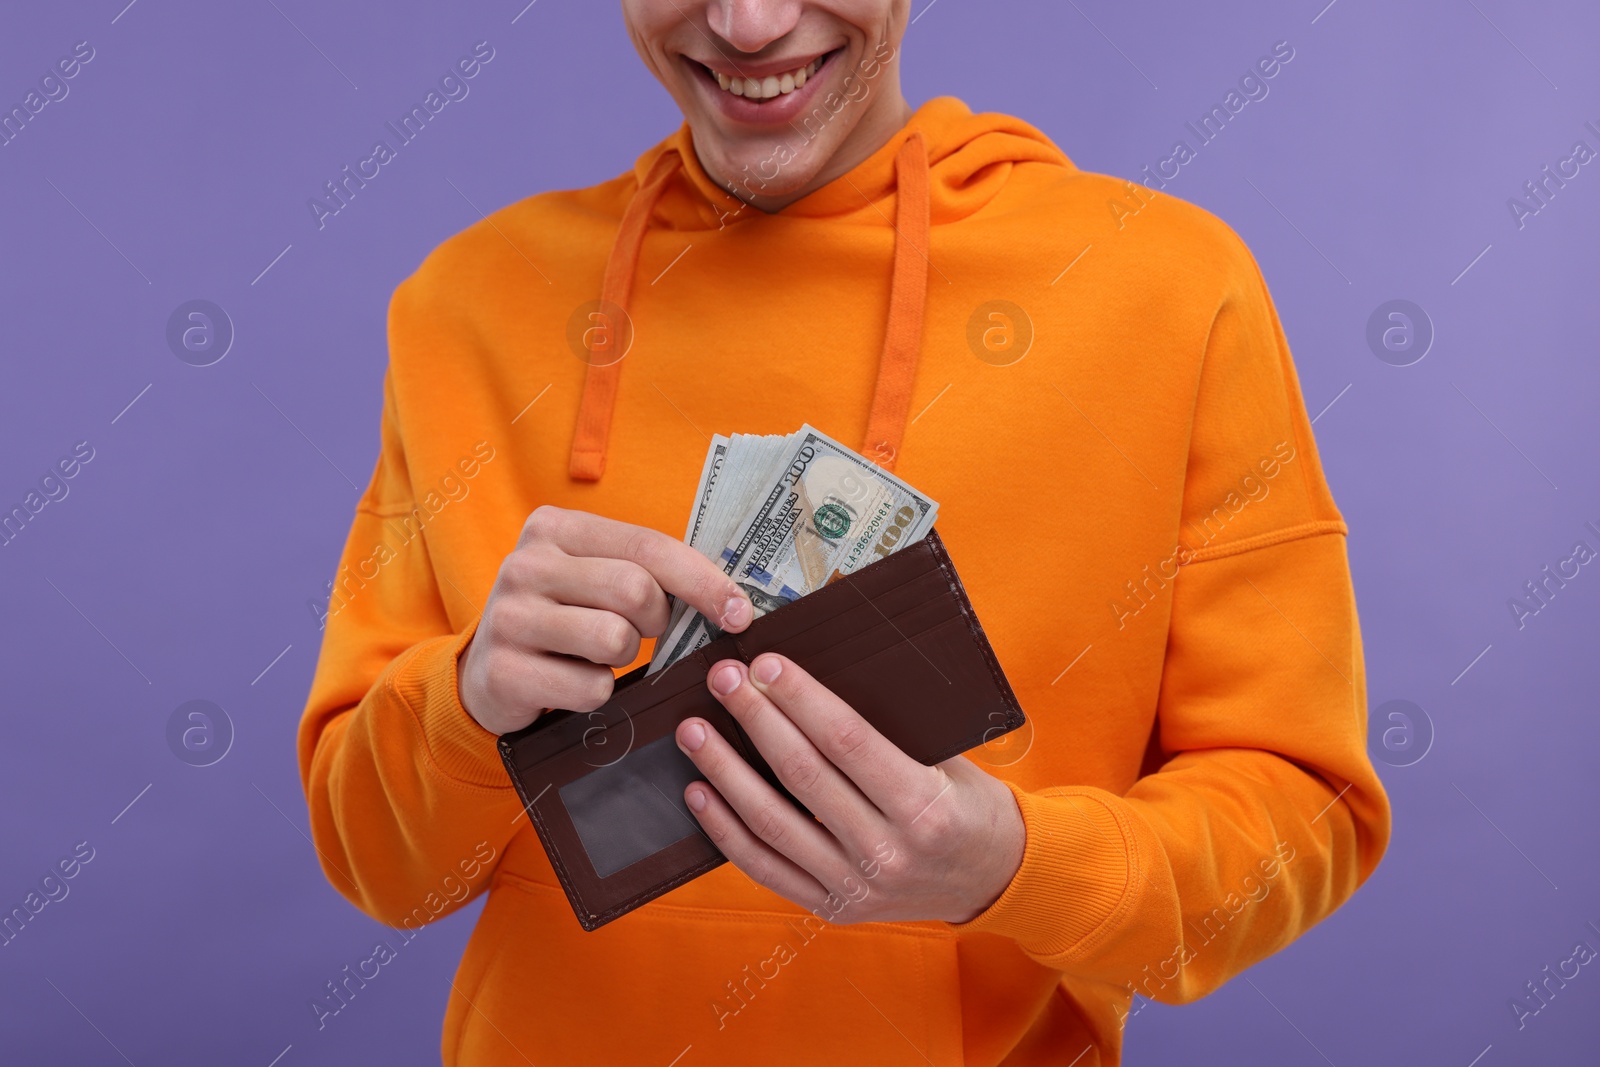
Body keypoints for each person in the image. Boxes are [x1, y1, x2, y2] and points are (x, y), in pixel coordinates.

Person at [297, 2, 1391, 1063]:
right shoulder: (465, 304)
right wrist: (465, 707)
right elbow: (380, 868)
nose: (749, 26)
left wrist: (1012, 864)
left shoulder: (1168, 289)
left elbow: (1303, 815)